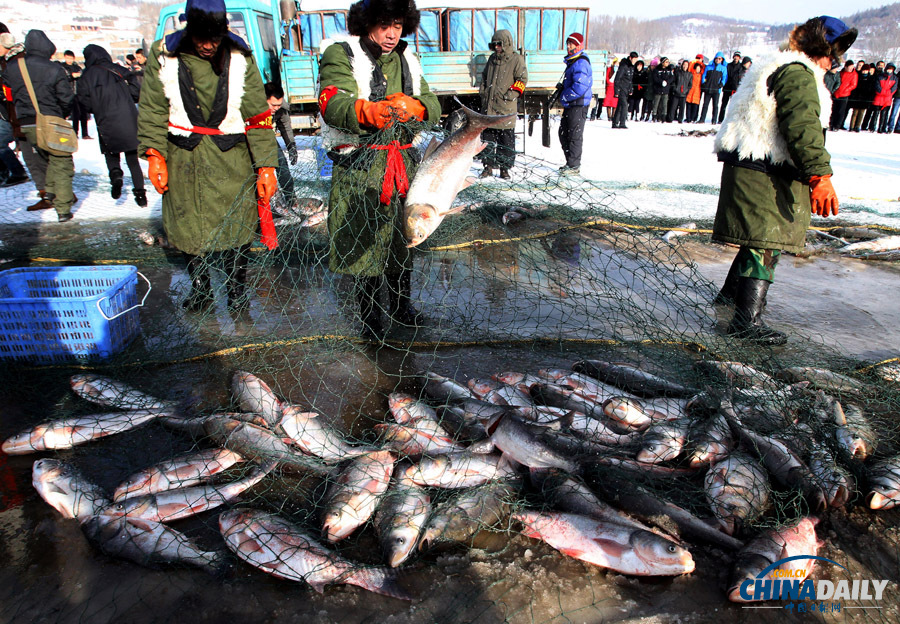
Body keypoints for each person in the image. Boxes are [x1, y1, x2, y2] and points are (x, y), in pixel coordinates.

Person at [713, 16, 856, 346]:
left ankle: (730, 299)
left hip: (753, 166)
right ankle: (746, 321)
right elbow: (802, 128)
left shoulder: (778, 64)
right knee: (766, 239)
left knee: (758, 236)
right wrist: (820, 175)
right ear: (821, 50)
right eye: (832, 55)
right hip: (764, 170)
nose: (833, 63)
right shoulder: (797, 73)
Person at [137, 0, 280, 312]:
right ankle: (201, 288)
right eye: (201, 38)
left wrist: (267, 165)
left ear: (224, 32)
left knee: (238, 226)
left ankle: (236, 289)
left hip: (231, 158)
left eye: (214, 39)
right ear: (188, 28)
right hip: (183, 158)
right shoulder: (164, 55)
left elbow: (257, 115)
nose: (207, 45)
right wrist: (154, 155)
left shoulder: (241, 57)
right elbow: (151, 108)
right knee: (188, 227)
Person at [317, 0, 440, 339]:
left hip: (403, 163)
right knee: (365, 246)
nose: (390, 34)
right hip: (360, 167)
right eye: (384, 25)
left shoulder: (408, 59)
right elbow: (333, 101)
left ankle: (402, 307)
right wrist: (365, 112)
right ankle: (370, 318)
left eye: (398, 26)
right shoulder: (341, 53)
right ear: (367, 22)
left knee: (403, 240)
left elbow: (432, 103)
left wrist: (416, 105)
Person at [3, 30, 76, 221]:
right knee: (62, 163)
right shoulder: (53, 68)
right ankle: (63, 209)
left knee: (46, 158)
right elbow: (66, 98)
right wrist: (61, 113)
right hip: (51, 122)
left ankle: (50, 192)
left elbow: (8, 86)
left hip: (26, 124)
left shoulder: (13, 67)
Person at [78, 44, 146, 207]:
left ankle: (115, 175)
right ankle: (140, 195)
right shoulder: (118, 69)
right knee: (132, 159)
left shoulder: (86, 76)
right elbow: (137, 90)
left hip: (105, 119)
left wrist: (96, 108)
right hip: (128, 117)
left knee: (111, 153)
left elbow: (83, 101)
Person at [478, 28, 526, 179]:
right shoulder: (492, 59)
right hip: (490, 109)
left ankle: (504, 169)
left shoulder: (516, 60)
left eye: (499, 44)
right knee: (488, 140)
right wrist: (483, 91)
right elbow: (484, 77)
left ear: (506, 43)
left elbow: (522, 80)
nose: (497, 47)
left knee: (506, 141)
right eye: (494, 45)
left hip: (506, 109)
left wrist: (510, 95)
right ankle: (488, 167)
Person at [557, 32, 591, 174]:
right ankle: (570, 162)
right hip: (572, 104)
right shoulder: (574, 61)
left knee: (574, 135)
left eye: (571, 44)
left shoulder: (580, 62)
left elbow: (580, 86)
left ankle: (574, 166)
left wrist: (565, 95)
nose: (568, 46)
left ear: (578, 45)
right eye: (568, 43)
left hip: (578, 104)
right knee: (564, 132)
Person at [0, 28, 28, 187]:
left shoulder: (13, 60)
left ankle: (17, 171)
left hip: (14, 111)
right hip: (8, 111)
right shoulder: (6, 60)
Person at [264, 82, 298, 207]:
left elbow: (285, 128)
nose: (276, 108)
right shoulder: (252, 107)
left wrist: (292, 147)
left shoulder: (281, 109)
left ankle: (291, 199)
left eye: (278, 105)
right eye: (273, 105)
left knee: (282, 166)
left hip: (269, 139)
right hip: (251, 140)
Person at [60, 50, 91, 139]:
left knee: (83, 114)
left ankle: (85, 133)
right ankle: (74, 132)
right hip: (69, 93)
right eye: (67, 58)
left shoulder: (77, 67)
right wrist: (71, 76)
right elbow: (62, 79)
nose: (69, 60)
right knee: (75, 114)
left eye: (71, 58)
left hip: (80, 93)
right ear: (65, 57)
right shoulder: (63, 68)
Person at [612, 51, 638, 129]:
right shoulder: (624, 66)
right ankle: (622, 123)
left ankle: (615, 123)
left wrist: (630, 89)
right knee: (624, 105)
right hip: (621, 89)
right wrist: (616, 91)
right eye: (634, 59)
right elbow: (617, 79)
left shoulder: (631, 67)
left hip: (626, 89)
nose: (635, 61)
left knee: (620, 106)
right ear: (630, 58)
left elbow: (630, 80)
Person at [699, 52, 727, 123]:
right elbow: (704, 76)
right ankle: (702, 119)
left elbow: (724, 78)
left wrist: (721, 84)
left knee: (715, 105)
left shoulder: (723, 68)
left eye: (719, 59)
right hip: (708, 89)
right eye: (716, 58)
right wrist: (704, 83)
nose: (717, 60)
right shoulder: (709, 67)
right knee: (705, 105)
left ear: (722, 60)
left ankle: (714, 120)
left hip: (716, 90)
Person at [830, 59, 856, 130]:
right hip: (836, 93)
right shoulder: (840, 73)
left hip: (845, 94)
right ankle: (831, 124)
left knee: (841, 111)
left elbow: (853, 85)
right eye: (849, 67)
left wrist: (846, 90)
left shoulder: (854, 74)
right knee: (833, 110)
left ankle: (837, 125)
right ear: (845, 67)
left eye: (852, 67)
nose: (851, 69)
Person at [848, 63, 873, 132]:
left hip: (865, 98)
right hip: (857, 97)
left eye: (866, 70)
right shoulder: (858, 76)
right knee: (855, 113)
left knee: (861, 113)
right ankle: (851, 126)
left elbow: (871, 89)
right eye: (863, 70)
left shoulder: (870, 78)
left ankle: (857, 126)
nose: (864, 72)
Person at [718, 51, 742, 122]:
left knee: (734, 105)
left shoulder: (740, 67)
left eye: (737, 56)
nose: (736, 58)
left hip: (735, 89)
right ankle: (720, 119)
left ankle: (732, 120)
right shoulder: (728, 65)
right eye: (735, 56)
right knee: (723, 105)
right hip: (727, 88)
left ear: (739, 58)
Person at [873, 63, 897, 133]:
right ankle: (873, 127)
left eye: (891, 69)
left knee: (884, 114)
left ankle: (882, 127)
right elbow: (877, 87)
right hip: (878, 97)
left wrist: (887, 93)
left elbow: (894, 89)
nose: (890, 70)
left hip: (887, 99)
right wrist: (883, 92)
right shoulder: (880, 76)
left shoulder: (895, 78)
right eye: (889, 68)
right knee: (875, 114)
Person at [668, 58, 692, 123]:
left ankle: (680, 119)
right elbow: (673, 82)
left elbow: (690, 85)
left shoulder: (689, 74)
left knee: (682, 108)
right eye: (684, 64)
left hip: (684, 94)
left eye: (686, 65)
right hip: (676, 93)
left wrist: (686, 91)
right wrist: (675, 89)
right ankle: (670, 119)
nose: (685, 66)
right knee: (673, 107)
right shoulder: (677, 72)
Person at [650, 56, 673, 122]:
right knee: (656, 104)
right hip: (658, 89)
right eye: (666, 62)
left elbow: (671, 77)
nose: (667, 63)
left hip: (665, 90)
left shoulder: (669, 70)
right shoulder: (657, 69)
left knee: (664, 104)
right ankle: (654, 116)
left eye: (668, 62)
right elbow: (655, 78)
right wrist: (661, 82)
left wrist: (667, 82)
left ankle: (663, 116)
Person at [685, 54, 704, 123]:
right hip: (691, 91)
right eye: (697, 58)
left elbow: (704, 67)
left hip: (697, 91)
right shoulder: (691, 73)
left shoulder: (701, 74)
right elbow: (690, 66)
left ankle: (694, 118)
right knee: (688, 105)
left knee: (695, 106)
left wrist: (700, 62)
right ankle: (688, 118)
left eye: (700, 58)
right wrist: (695, 61)